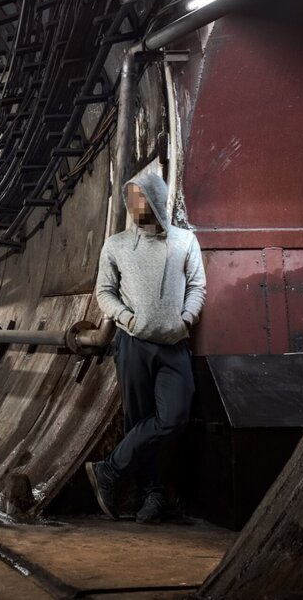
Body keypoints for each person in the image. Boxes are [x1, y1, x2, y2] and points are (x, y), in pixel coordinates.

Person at [85, 171, 206, 524]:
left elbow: (198, 286)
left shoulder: (184, 241)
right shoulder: (117, 245)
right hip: (133, 342)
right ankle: (151, 496)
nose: (137, 206)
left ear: (156, 199)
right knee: (138, 420)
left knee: (174, 416)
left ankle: (109, 469)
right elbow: (104, 291)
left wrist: (186, 319)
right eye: (131, 199)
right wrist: (128, 318)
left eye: (142, 198)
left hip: (174, 344)